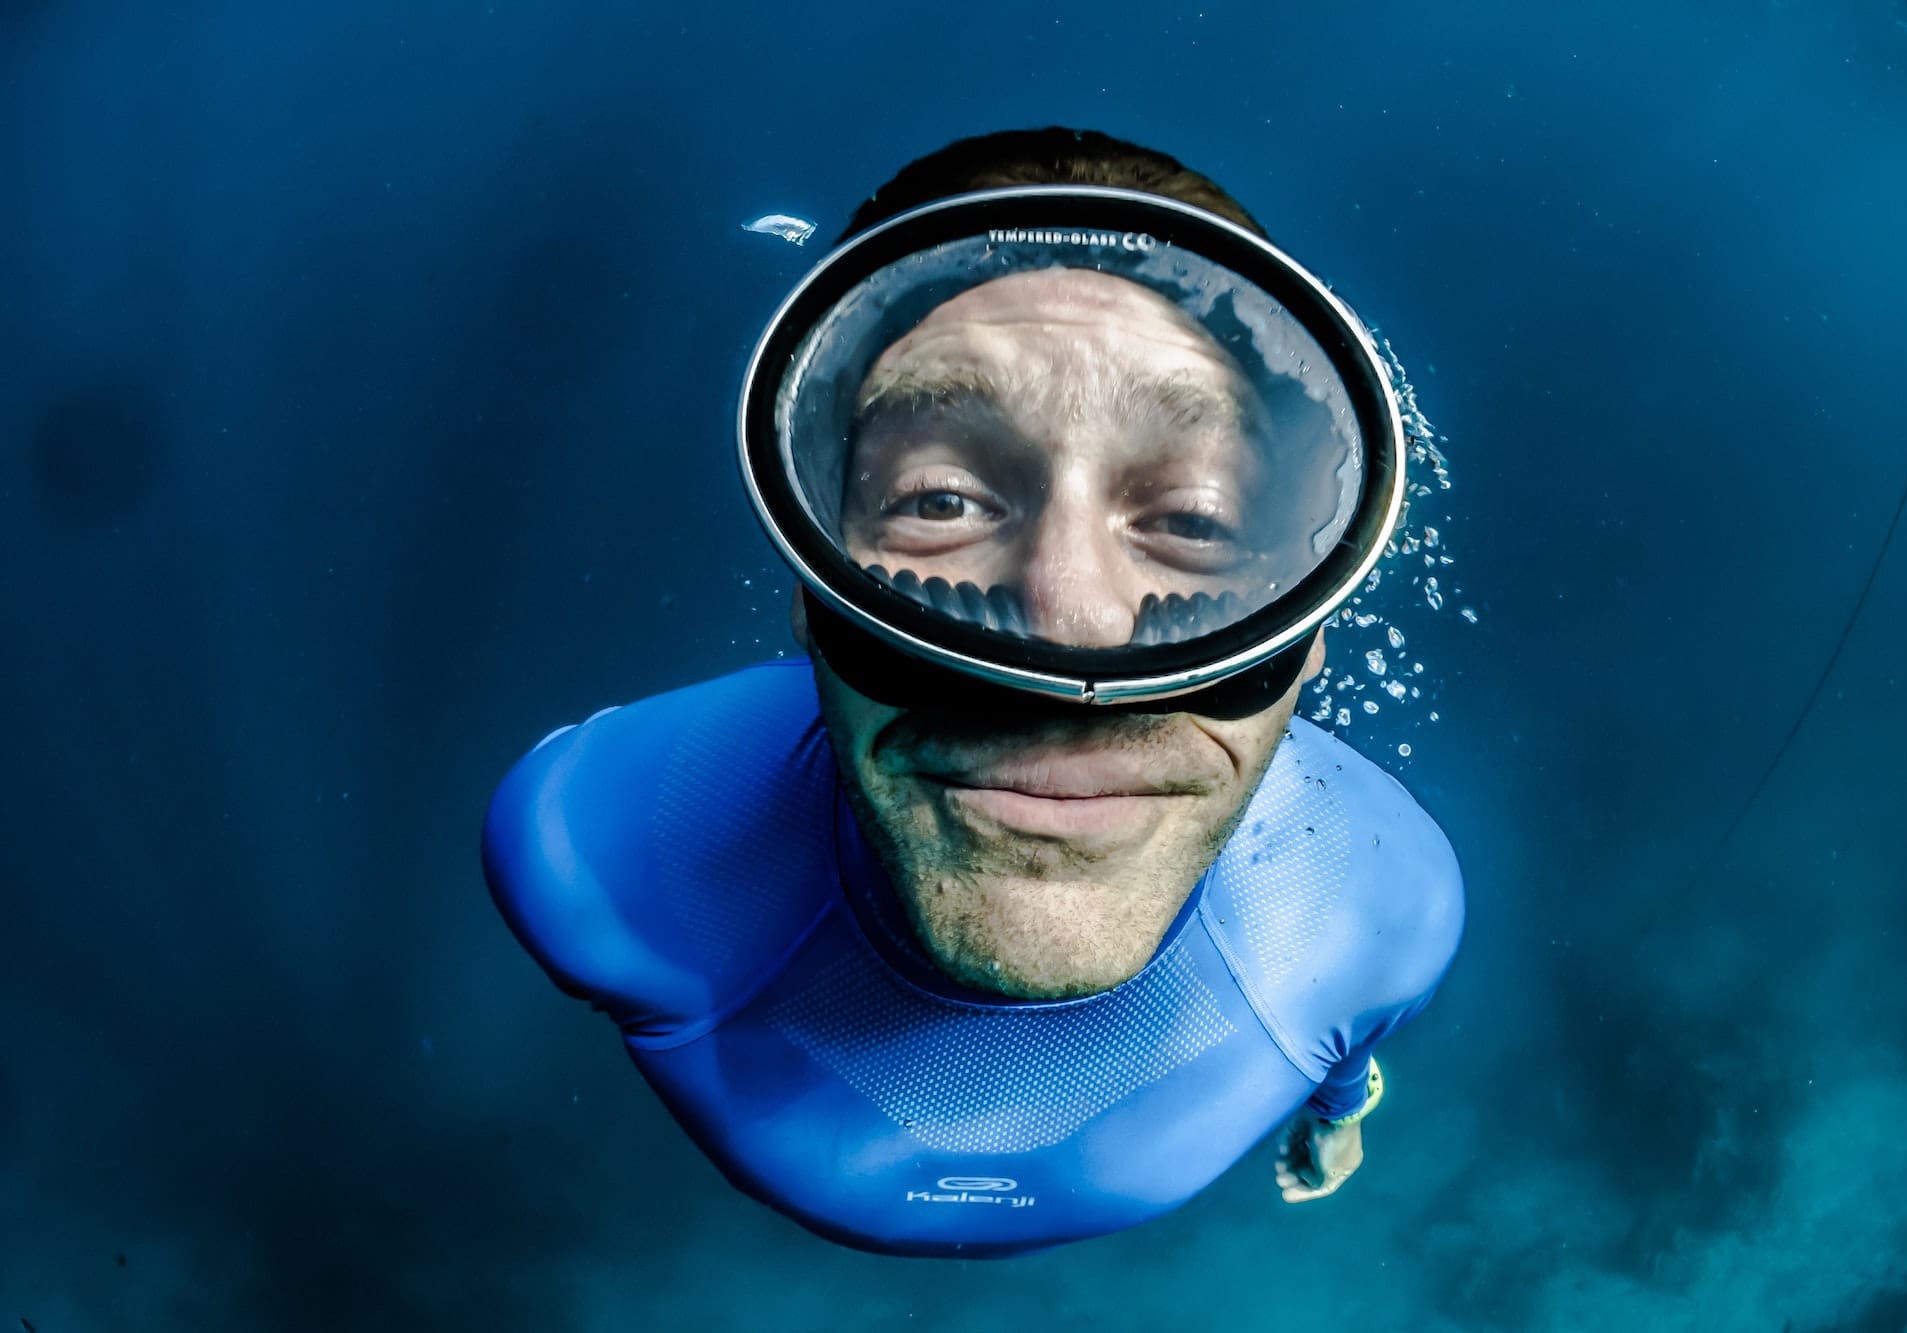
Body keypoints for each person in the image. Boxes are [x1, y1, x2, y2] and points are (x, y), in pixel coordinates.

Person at [482, 128, 1464, 1259]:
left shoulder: (1386, 909)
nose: (1074, 632)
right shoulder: (583, 846)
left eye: (1196, 520)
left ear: (1313, 621)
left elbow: (1351, 1040)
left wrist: (1338, 1105)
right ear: (809, 588)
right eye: (939, 500)